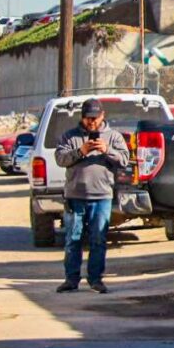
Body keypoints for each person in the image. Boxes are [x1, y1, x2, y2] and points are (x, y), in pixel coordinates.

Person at [54, 99, 130, 294]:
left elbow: (124, 160)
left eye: (95, 118)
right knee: (73, 238)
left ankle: (96, 279)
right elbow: (61, 159)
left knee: (98, 239)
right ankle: (71, 279)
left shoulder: (113, 137)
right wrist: (81, 151)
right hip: (75, 196)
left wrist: (107, 150)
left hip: (102, 196)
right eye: (88, 118)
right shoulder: (70, 137)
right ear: (82, 117)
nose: (91, 123)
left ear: (102, 116)